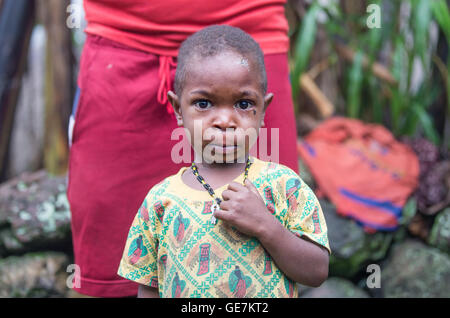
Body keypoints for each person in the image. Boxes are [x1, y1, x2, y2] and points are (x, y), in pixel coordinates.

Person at [68, 0, 299, 297]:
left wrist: (271, 231)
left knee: (267, 251)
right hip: (124, 38)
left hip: (248, 45)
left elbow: (308, 264)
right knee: (111, 266)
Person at [117, 25, 330, 298]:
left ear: (262, 111)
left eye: (243, 104)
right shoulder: (160, 200)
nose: (225, 121)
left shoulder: (284, 186)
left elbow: (317, 271)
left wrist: (267, 226)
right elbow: (148, 286)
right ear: (178, 109)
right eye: (204, 104)